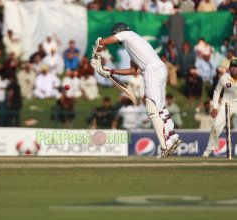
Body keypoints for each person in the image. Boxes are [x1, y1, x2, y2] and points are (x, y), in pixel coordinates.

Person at [90, 22, 181, 157]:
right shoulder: (132, 44)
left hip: (152, 70)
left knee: (152, 108)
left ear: (119, 32)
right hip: (159, 68)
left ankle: (165, 144)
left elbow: (102, 42)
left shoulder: (127, 34)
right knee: (160, 107)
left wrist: (96, 57)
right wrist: (112, 70)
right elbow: (133, 70)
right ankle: (172, 136)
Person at [203, 59, 237, 157]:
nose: (234, 69)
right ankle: (208, 151)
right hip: (226, 104)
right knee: (216, 126)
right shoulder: (224, 78)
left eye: (236, 67)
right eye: (232, 67)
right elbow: (217, 91)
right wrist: (215, 107)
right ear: (229, 68)